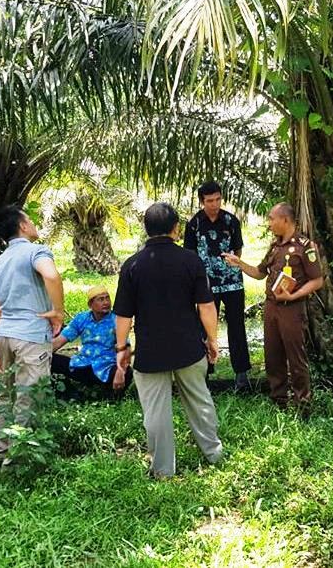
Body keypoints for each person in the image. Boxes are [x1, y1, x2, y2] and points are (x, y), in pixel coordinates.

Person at [113, 202, 224, 479]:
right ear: (176, 229)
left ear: (146, 230)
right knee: (200, 402)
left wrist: (122, 348)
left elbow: (123, 316)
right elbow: (207, 307)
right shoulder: (190, 260)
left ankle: (163, 470)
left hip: (150, 352)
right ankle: (214, 455)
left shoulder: (132, 266)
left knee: (155, 413)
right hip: (189, 347)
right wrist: (212, 340)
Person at [223, 203, 324, 415]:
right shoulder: (275, 247)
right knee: (273, 356)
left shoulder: (305, 247)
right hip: (272, 308)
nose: (269, 224)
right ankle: (279, 401)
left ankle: (302, 404)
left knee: (296, 358)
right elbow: (260, 273)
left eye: (272, 219)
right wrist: (238, 263)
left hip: (293, 309)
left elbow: (317, 281)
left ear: (285, 220)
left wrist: (294, 295)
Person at [0, 205, 65, 460]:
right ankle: (19, 458)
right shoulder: (36, 251)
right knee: (28, 397)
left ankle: (0, 451)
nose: (33, 224)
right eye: (29, 220)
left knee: (6, 396)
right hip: (30, 337)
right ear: (22, 225)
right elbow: (52, 276)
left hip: (5, 336)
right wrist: (58, 311)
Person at [183, 180, 252, 391]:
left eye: (218, 199)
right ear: (202, 201)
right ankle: (204, 373)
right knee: (204, 328)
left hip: (232, 283)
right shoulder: (194, 224)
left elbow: (238, 251)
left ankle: (241, 374)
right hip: (206, 286)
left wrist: (230, 265)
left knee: (237, 326)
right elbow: (190, 255)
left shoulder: (231, 221)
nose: (214, 204)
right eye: (210, 200)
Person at [50, 285, 133, 400]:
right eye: (100, 299)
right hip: (83, 364)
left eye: (107, 298)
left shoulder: (117, 320)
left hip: (106, 366)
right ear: (90, 305)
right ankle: (70, 394)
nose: (106, 302)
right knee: (49, 359)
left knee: (126, 371)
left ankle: (110, 399)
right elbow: (60, 341)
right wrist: (39, 355)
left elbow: (125, 348)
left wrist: (120, 371)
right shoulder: (82, 319)